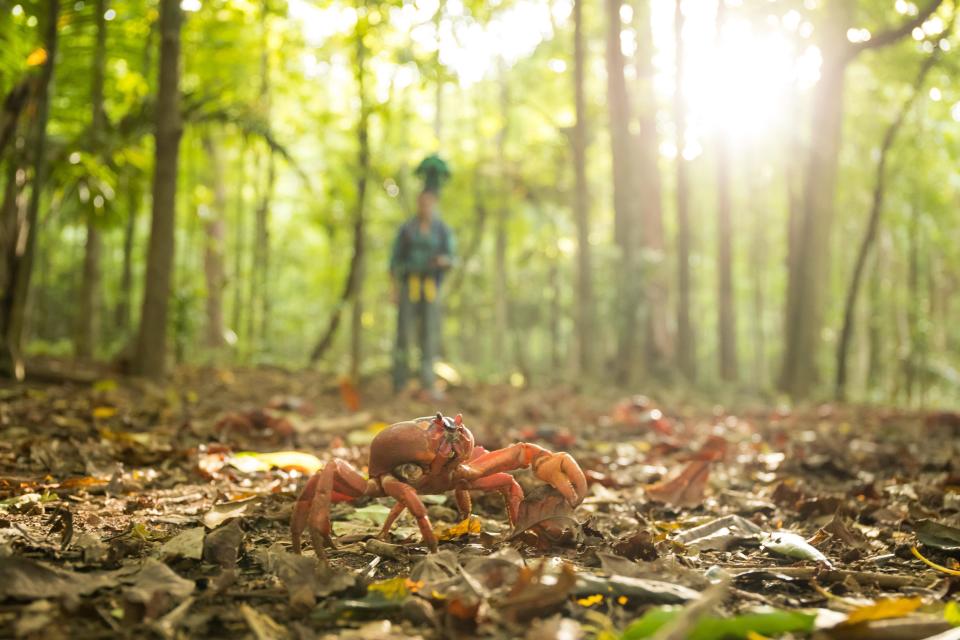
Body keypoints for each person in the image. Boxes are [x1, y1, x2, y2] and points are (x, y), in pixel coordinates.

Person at [390, 162, 455, 398]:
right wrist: (394, 289)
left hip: (431, 287)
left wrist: (442, 262)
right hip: (409, 284)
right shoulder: (407, 229)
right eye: (422, 201)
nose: (425, 206)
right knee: (404, 334)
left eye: (429, 202)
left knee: (429, 335)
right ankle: (400, 383)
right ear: (418, 202)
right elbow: (394, 261)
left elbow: (451, 258)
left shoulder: (442, 230)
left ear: (434, 203)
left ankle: (428, 383)